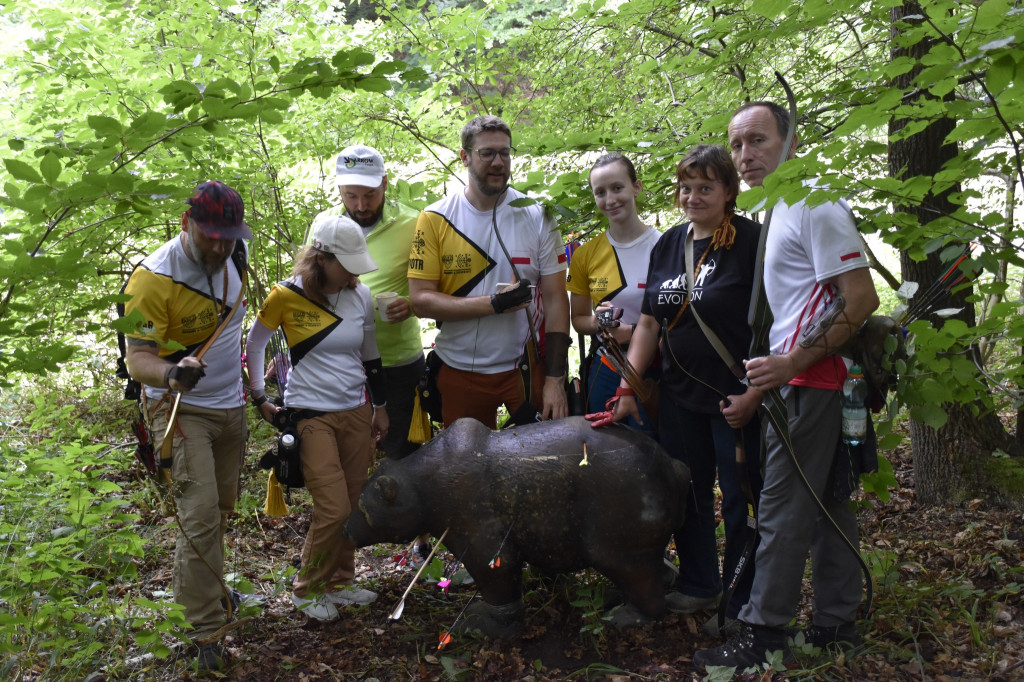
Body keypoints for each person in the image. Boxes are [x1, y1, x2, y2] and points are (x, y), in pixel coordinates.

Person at [693, 102, 879, 670]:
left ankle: (763, 635)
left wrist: (792, 361)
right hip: (801, 382)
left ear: (790, 143)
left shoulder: (815, 202)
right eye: (738, 143)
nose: (745, 155)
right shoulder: (781, 207)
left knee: (780, 508)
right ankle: (836, 622)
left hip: (811, 383)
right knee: (826, 505)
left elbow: (861, 297)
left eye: (758, 141)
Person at [609, 146, 763, 630]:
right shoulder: (669, 244)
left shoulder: (751, 241)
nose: (693, 197)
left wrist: (755, 392)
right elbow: (650, 324)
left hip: (734, 398)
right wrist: (628, 387)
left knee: (741, 501)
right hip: (678, 397)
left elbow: (771, 323)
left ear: (728, 191)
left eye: (705, 188)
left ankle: (741, 605)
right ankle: (700, 585)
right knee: (687, 491)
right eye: (686, 187)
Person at [122, 181, 251, 671]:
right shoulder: (150, 278)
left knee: (219, 509)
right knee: (198, 517)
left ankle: (213, 589)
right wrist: (172, 375)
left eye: (229, 237)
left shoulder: (236, 254)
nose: (220, 247)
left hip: (230, 406)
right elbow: (138, 360)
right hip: (178, 412)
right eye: (210, 236)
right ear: (185, 223)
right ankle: (205, 630)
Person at [246, 214, 387, 622]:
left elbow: (371, 354)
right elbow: (254, 345)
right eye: (347, 264)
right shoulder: (284, 296)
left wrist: (379, 407)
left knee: (355, 503)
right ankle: (307, 588)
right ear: (321, 258)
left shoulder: (360, 296)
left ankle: (341, 581)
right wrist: (259, 396)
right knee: (334, 507)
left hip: (356, 413)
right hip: (310, 414)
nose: (353, 273)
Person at [408, 115, 571, 428]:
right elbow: (421, 301)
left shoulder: (537, 214)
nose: (498, 162)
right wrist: (494, 305)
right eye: (487, 153)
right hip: (459, 370)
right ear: (465, 156)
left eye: (505, 153)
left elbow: (555, 300)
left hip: (524, 367)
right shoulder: (434, 218)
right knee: (468, 470)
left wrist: (555, 379)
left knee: (536, 466)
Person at [310, 145, 424, 459]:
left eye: (370, 195)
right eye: (351, 196)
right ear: (339, 190)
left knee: (403, 455)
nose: (361, 205)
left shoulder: (414, 224)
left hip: (397, 362)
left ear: (385, 183)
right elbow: (306, 288)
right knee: (348, 456)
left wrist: (411, 305)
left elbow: (436, 286)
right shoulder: (324, 225)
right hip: (340, 362)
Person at [567, 153, 660, 435]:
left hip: (657, 370)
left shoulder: (666, 247)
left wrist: (632, 332)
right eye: (600, 192)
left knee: (660, 455)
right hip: (607, 367)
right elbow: (579, 319)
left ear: (637, 187)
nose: (610, 200)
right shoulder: (585, 255)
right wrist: (599, 323)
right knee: (607, 453)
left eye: (617, 188)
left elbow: (681, 321)